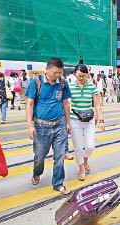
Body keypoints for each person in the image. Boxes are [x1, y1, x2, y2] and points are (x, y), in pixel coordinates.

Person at [25, 57, 72, 195]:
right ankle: (37, 172)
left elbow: (65, 103)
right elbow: (29, 103)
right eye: (54, 73)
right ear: (46, 69)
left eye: (59, 73)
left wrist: (68, 122)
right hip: (41, 127)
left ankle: (58, 183)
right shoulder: (36, 82)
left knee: (59, 156)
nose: (56, 76)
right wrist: (29, 125)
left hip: (59, 125)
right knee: (39, 156)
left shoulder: (62, 83)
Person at [69, 64, 105, 181]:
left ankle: (85, 160)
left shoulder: (92, 87)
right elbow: (66, 104)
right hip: (75, 120)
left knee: (90, 145)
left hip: (89, 120)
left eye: (83, 76)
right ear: (75, 74)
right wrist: (67, 122)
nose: (81, 79)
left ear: (87, 75)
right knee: (78, 147)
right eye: (78, 76)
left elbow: (97, 105)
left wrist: (101, 120)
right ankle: (81, 169)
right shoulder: (70, 87)